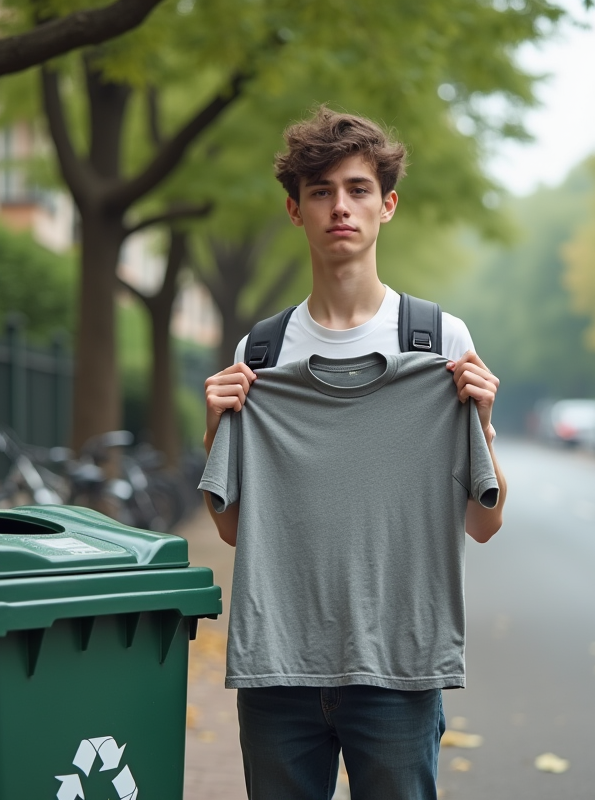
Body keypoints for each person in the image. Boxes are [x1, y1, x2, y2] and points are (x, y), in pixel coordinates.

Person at [200, 106, 507, 800]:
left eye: (358, 189)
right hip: (279, 667)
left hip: (401, 665)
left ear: (386, 205)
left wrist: (481, 425)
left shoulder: (438, 341)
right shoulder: (263, 351)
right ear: (295, 210)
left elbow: (484, 524)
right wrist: (216, 432)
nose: (340, 206)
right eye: (320, 191)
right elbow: (234, 529)